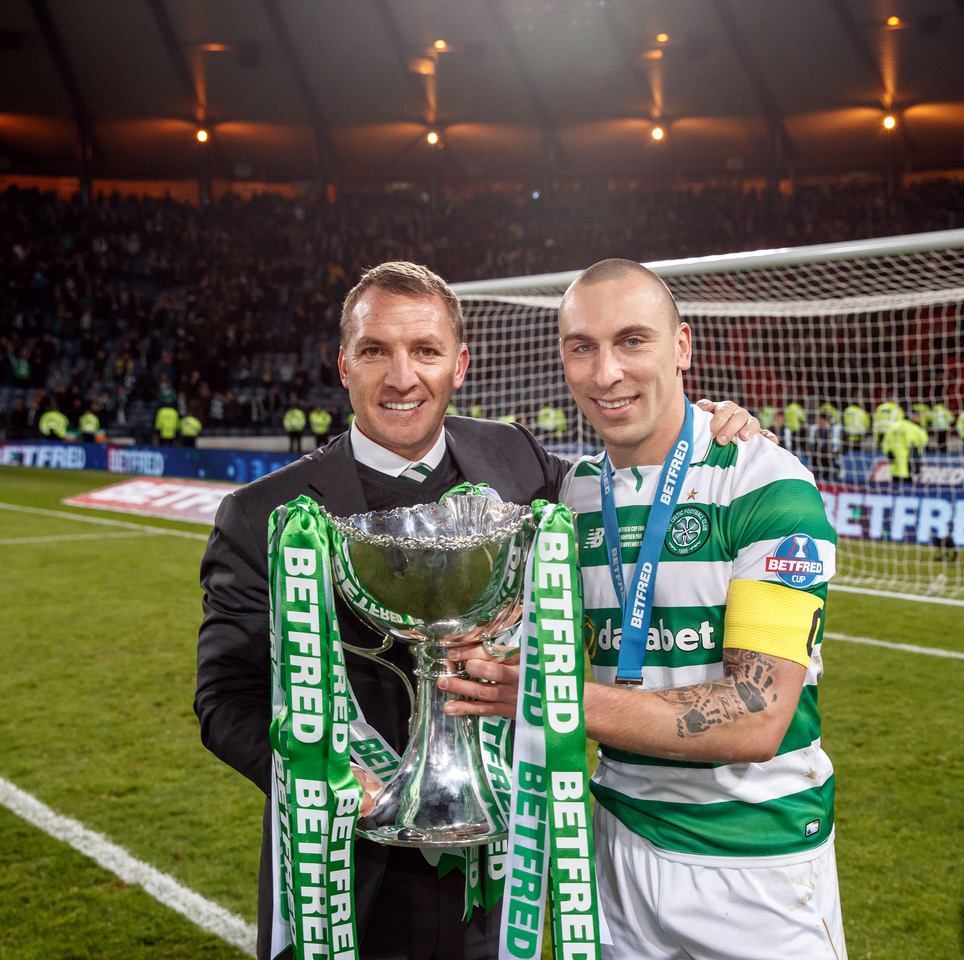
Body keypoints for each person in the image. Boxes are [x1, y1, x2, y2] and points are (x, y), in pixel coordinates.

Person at [195, 260, 765, 960]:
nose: (402, 377)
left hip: (498, 878)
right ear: (343, 365)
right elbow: (224, 697)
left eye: (425, 351)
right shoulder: (263, 516)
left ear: (460, 365)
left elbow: (622, 481)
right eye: (375, 351)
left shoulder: (517, 458)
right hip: (348, 878)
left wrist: (704, 428)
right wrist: (320, 777)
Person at [445, 259, 846, 960]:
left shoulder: (764, 482)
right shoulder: (570, 499)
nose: (606, 374)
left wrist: (546, 697)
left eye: (633, 341)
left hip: (755, 865)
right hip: (612, 858)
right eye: (583, 347)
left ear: (681, 346)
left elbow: (758, 713)